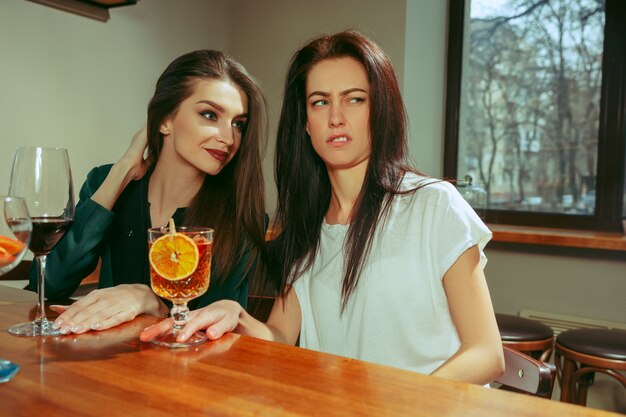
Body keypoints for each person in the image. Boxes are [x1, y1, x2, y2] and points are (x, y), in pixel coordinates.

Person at [141, 31, 504, 384]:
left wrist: (407, 408)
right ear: (305, 124)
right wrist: (237, 315)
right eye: (320, 102)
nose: (336, 117)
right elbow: (280, 337)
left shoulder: (433, 204)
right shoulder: (306, 227)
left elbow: (486, 354)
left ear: (381, 110)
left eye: (355, 99)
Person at [32, 50, 268, 335]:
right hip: (103, 360)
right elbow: (46, 285)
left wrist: (151, 301)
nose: (228, 138)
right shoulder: (105, 183)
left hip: (185, 374)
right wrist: (122, 170)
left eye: (238, 124)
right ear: (164, 120)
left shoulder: (240, 217)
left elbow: (219, 328)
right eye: (210, 115)